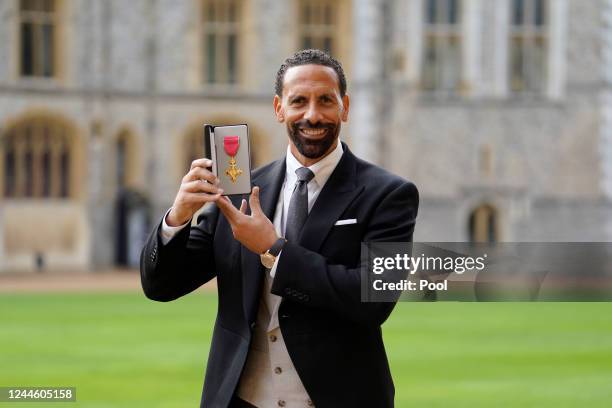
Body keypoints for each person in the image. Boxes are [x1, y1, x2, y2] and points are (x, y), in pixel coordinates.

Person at [140, 49, 419, 408]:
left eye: (326, 101)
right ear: (279, 109)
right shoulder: (239, 190)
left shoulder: (390, 194)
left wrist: (274, 250)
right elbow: (161, 286)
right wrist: (177, 217)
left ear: (345, 107)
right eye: (299, 101)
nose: (313, 114)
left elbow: (374, 300)